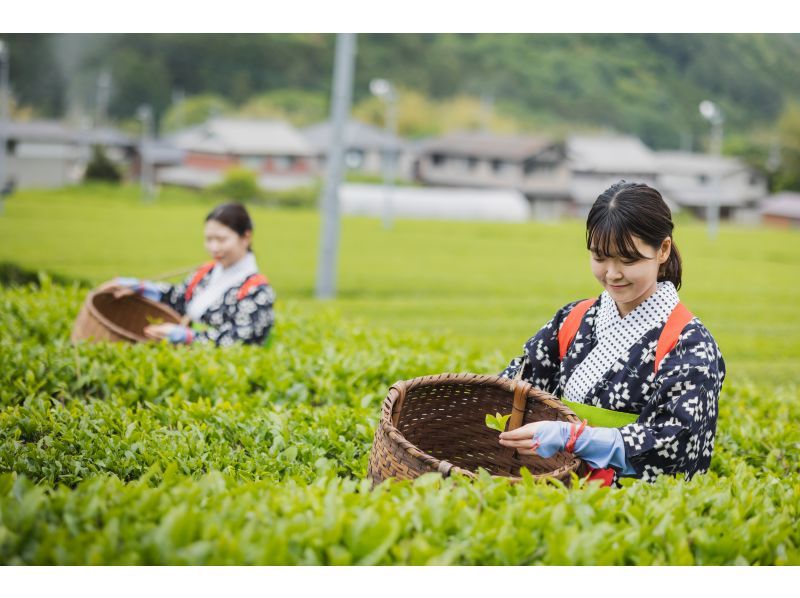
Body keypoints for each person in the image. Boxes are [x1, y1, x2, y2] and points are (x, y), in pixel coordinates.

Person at [497, 181, 725, 484]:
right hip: (554, 493)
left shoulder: (690, 345)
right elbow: (515, 389)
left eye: (628, 260)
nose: (612, 273)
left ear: (663, 250)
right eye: (600, 257)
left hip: (632, 512)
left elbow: (674, 444)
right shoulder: (573, 319)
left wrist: (574, 437)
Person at [101, 202, 275, 347]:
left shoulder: (257, 291)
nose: (214, 248)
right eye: (208, 239)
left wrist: (188, 337)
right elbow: (179, 298)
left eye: (221, 240)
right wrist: (141, 288)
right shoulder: (206, 272)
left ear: (246, 237)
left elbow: (241, 341)